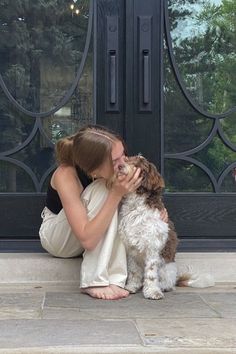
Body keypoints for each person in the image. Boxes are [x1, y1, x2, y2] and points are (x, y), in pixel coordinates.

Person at [39, 124, 167, 300]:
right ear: (93, 169)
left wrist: (156, 208)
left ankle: (115, 278)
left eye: (123, 154)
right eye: (115, 161)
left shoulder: (118, 168)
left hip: (92, 232)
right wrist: (116, 194)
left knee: (117, 186)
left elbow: (141, 191)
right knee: (106, 188)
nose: (124, 163)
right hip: (60, 238)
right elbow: (88, 240)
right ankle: (95, 280)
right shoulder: (65, 174)